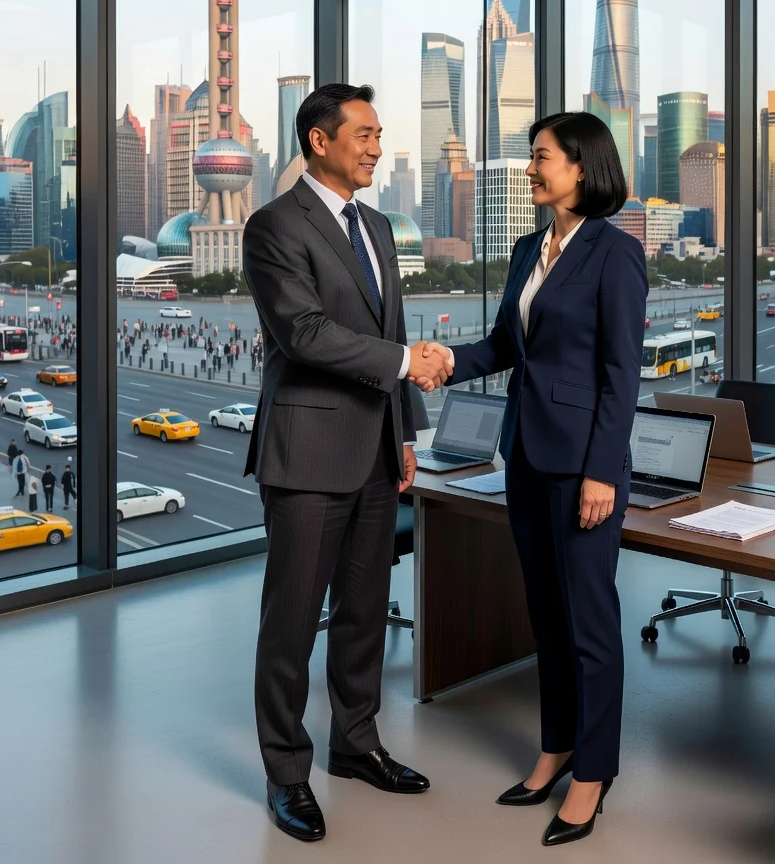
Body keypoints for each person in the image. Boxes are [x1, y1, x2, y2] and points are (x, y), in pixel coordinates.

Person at [418, 112, 646, 846]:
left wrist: (602, 472)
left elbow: (621, 376)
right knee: (546, 616)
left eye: (540, 157)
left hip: (583, 467)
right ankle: (557, 748)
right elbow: (504, 346)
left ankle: (594, 773)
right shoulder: (526, 249)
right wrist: (448, 361)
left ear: (581, 166)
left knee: (590, 626)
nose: (528, 170)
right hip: (524, 454)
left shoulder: (617, 254)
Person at [241, 84, 444, 843]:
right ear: (319, 141)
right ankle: (286, 773)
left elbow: (390, 327)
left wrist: (407, 435)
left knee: (364, 614)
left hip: (376, 451)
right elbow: (303, 332)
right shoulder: (274, 225)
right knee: (291, 624)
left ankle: (356, 745)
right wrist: (407, 361)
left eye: (379, 134)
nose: (376, 148)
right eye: (363, 134)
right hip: (307, 455)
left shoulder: (378, 226)